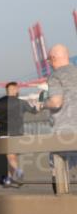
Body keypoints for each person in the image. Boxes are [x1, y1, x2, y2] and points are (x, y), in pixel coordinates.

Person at [0, 82, 37, 187]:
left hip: (4, 133)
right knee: (12, 156)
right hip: (18, 133)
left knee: (10, 156)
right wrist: (39, 105)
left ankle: (16, 173)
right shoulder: (21, 102)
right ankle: (10, 178)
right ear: (15, 90)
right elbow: (33, 111)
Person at [45, 44, 76, 192]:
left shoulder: (55, 76)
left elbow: (56, 102)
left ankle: (63, 207)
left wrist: (43, 104)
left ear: (53, 59)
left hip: (64, 132)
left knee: (57, 169)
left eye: (49, 60)